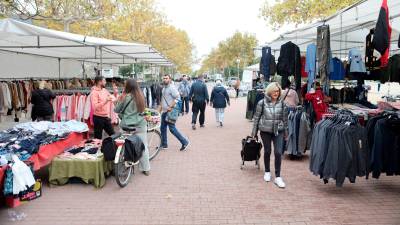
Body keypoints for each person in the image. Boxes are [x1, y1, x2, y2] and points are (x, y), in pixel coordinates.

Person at [251, 82, 288, 188]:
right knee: (267, 151)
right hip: (265, 130)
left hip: (278, 130)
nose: (276, 93)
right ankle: (267, 171)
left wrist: (286, 132)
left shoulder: (282, 103)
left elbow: (285, 119)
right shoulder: (261, 103)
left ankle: (278, 177)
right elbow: (256, 118)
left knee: (278, 152)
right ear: (269, 91)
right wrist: (254, 133)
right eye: (274, 91)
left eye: (278, 91)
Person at [114, 79, 150, 176]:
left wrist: (117, 101)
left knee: (125, 144)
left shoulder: (125, 97)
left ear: (128, 87)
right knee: (144, 147)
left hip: (126, 126)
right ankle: (146, 169)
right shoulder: (141, 96)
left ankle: (126, 163)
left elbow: (116, 110)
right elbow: (144, 110)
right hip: (140, 126)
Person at [160, 74, 190, 151]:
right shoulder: (164, 89)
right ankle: (164, 144)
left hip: (170, 112)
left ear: (170, 79)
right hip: (164, 112)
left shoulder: (172, 88)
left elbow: (178, 98)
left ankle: (185, 142)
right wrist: (159, 110)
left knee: (172, 129)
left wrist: (170, 106)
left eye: (166, 78)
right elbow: (162, 100)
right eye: (164, 78)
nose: (164, 79)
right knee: (162, 128)